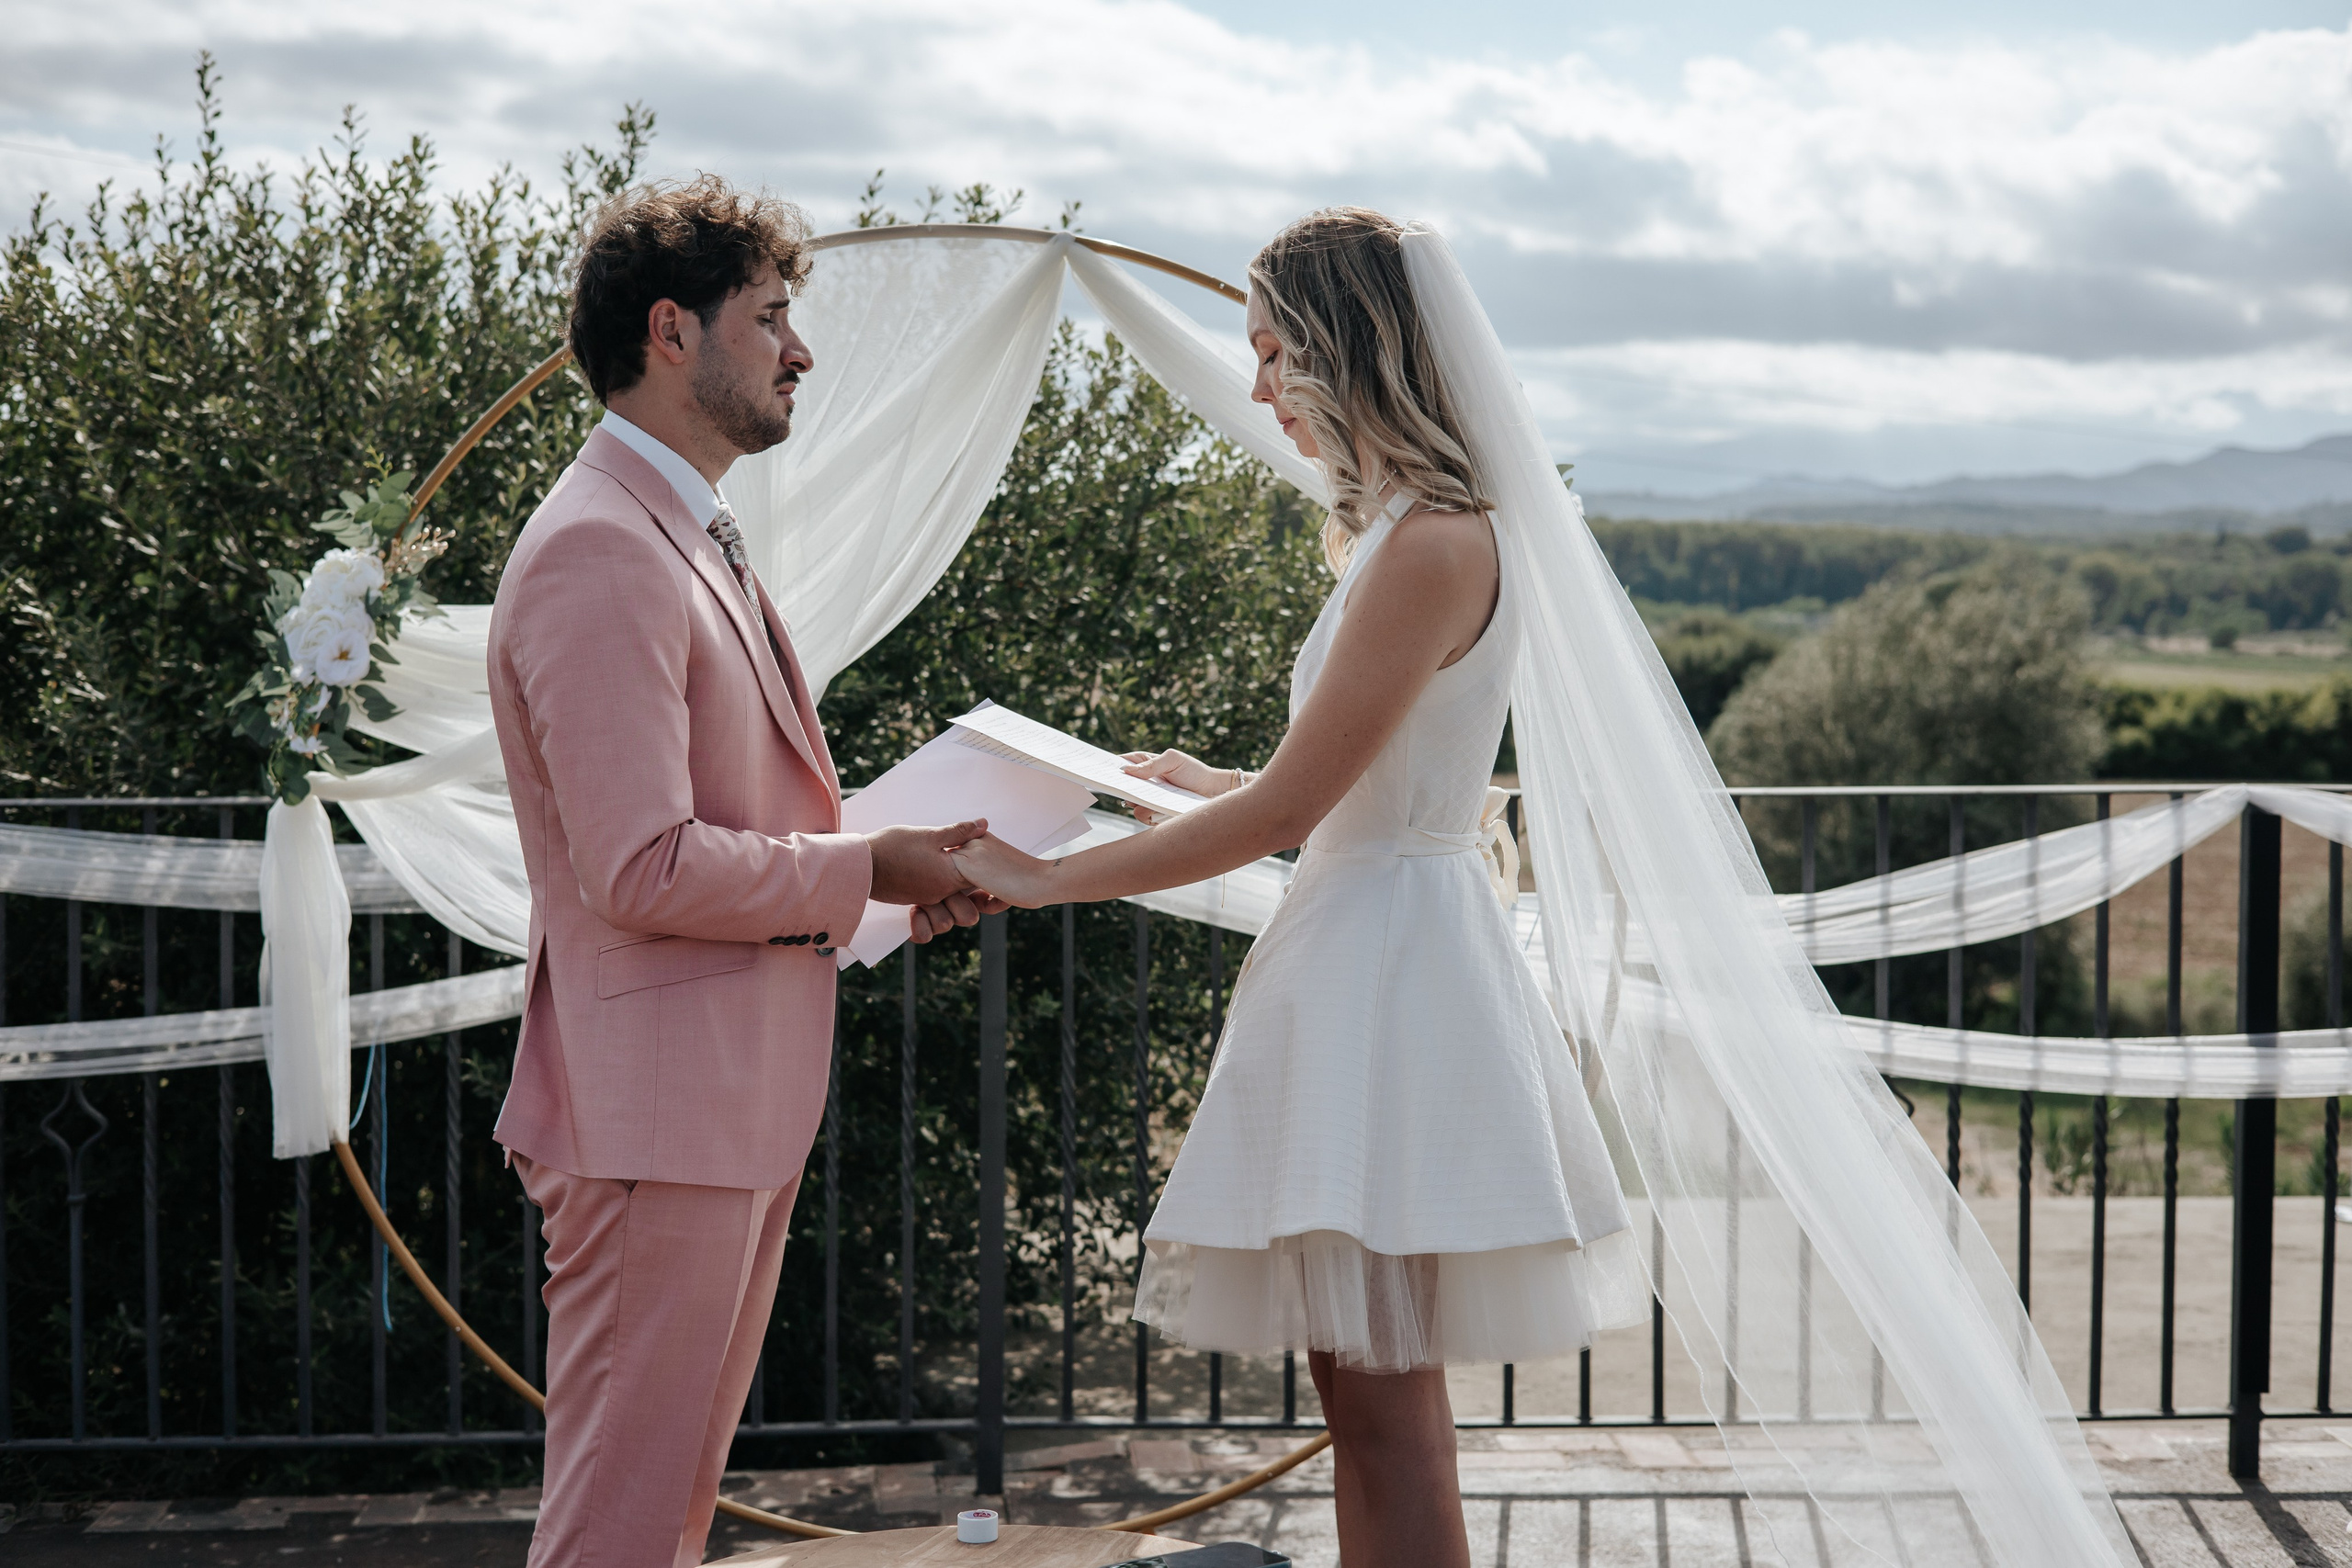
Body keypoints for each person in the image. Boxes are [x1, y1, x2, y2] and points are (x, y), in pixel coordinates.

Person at [948, 208, 1648, 1568]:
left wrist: (1041, 881)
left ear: (1346, 350)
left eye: (1274, 352)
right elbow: (1346, 783)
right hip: (1378, 948)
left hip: (1390, 983)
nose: (1259, 385)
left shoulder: (1435, 544)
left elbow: (1287, 816)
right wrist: (1212, 782)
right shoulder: (1409, 535)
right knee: (1369, 1403)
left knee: (1384, 1415)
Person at [486, 176, 995, 1568]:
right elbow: (640, 867)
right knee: (617, 1528)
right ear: (672, 331)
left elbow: (717, 823)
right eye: (769, 318)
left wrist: (879, 889)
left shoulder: (675, 526)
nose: (799, 350)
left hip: (713, 1109)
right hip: (654, 1125)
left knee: (667, 1519)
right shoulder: (601, 548)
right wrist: (864, 865)